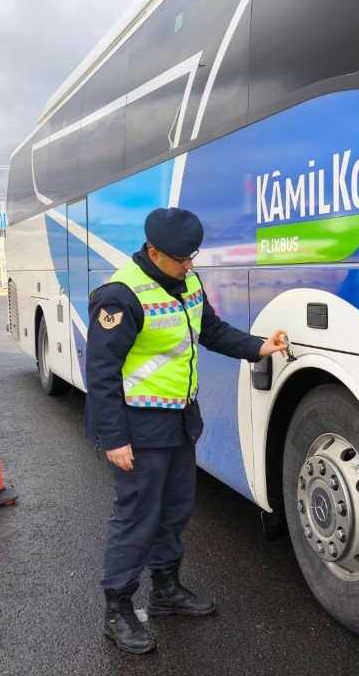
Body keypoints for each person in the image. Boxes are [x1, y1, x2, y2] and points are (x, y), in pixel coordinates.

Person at [85, 206, 288, 654]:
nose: (190, 264)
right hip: (138, 426)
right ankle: (117, 609)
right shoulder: (120, 295)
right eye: (182, 258)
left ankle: (165, 591)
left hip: (179, 421)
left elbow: (210, 330)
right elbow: (99, 373)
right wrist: (114, 438)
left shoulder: (187, 282)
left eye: (193, 256)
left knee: (175, 510)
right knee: (137, 515)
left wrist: (259, 347)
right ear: (154, 252)